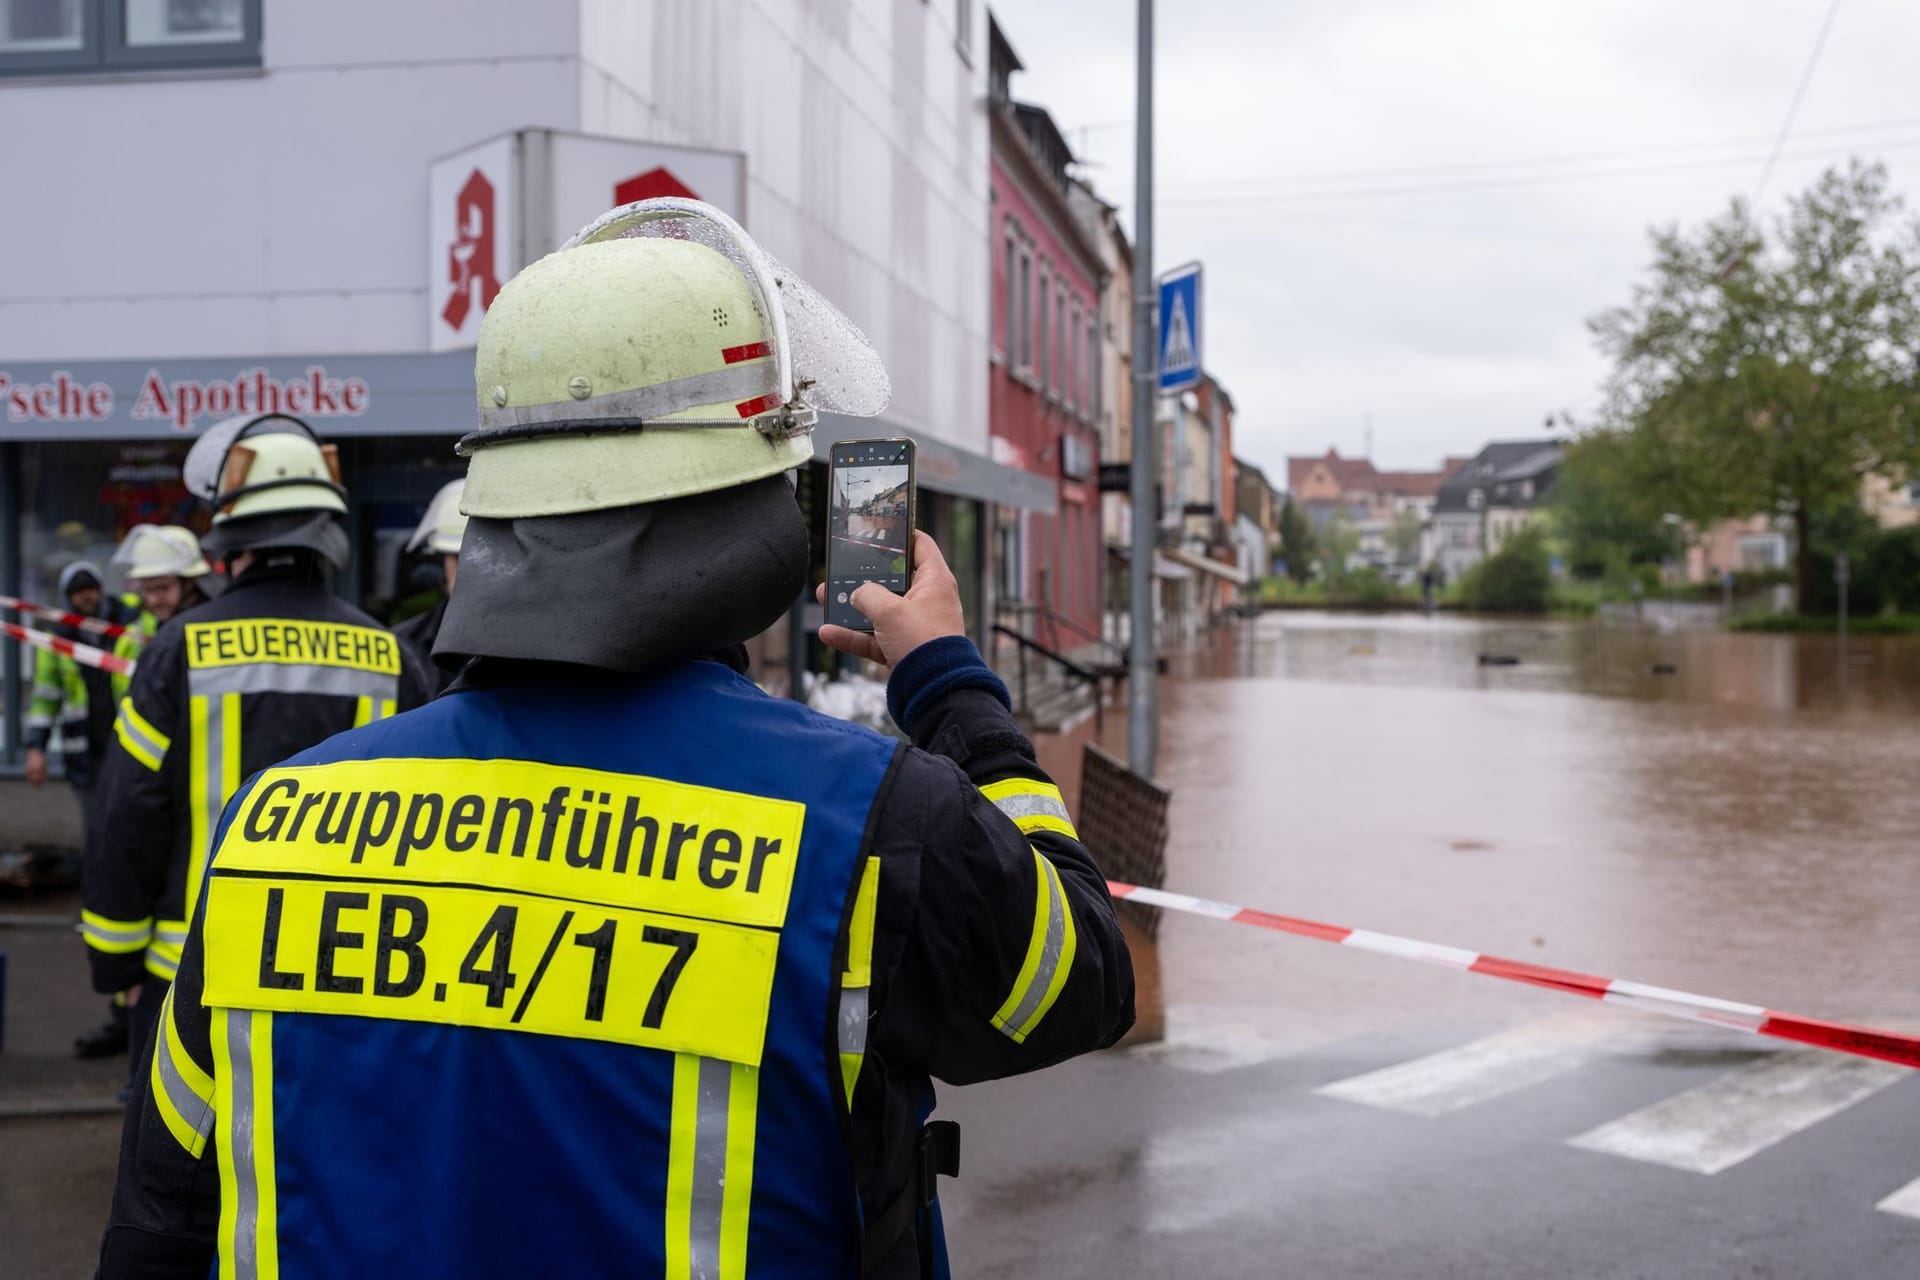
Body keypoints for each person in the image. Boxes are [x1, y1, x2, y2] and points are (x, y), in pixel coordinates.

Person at [99, 200, 1132, 1279]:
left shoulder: (273, 824)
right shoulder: (868, 821)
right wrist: (947, 676)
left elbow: (155, 1224)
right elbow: (1083, 976)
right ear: (761, 503)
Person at [81, 414, 432, 1094]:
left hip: (194, 975)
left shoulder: (176, 651)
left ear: (229, 534)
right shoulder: (393, 659)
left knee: (180, 1182)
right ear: (328, 533)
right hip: (348, 981)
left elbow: (127, 814)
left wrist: (115, 960)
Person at [27, 560, 146, 1060]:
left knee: (130, 859)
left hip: (133, 757)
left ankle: (132, 1005)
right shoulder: (58, 634)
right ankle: (122, 1003)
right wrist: (35, 745)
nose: (86, 602)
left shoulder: (130, 621)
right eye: (77, 597)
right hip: (86, 762)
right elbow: (46, 695)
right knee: (104, 861)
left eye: (91, 593)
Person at [107, 525, 215, 700]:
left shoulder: (211, 633)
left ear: (189, 583)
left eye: (163, 588)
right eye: (148, 590)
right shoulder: (141, 633)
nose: (153, 600)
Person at [392, 478, 467, 694]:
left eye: (481, 556)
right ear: (439, 561)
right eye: (458, 557)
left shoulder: (533, 647)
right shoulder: (402, 645)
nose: (468, 571)